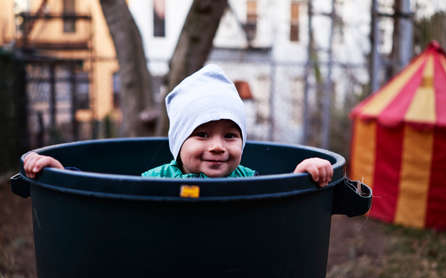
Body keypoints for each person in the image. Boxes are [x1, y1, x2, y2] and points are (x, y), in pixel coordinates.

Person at [24, 64, 333, 187]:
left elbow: (278, 203)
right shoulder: (157, 178)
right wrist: (60, 174)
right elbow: (107, 193)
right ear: (179, 142)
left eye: (230, 135)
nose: (216, 145)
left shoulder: (247, 179)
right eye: (201, 134)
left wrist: (303, 172)